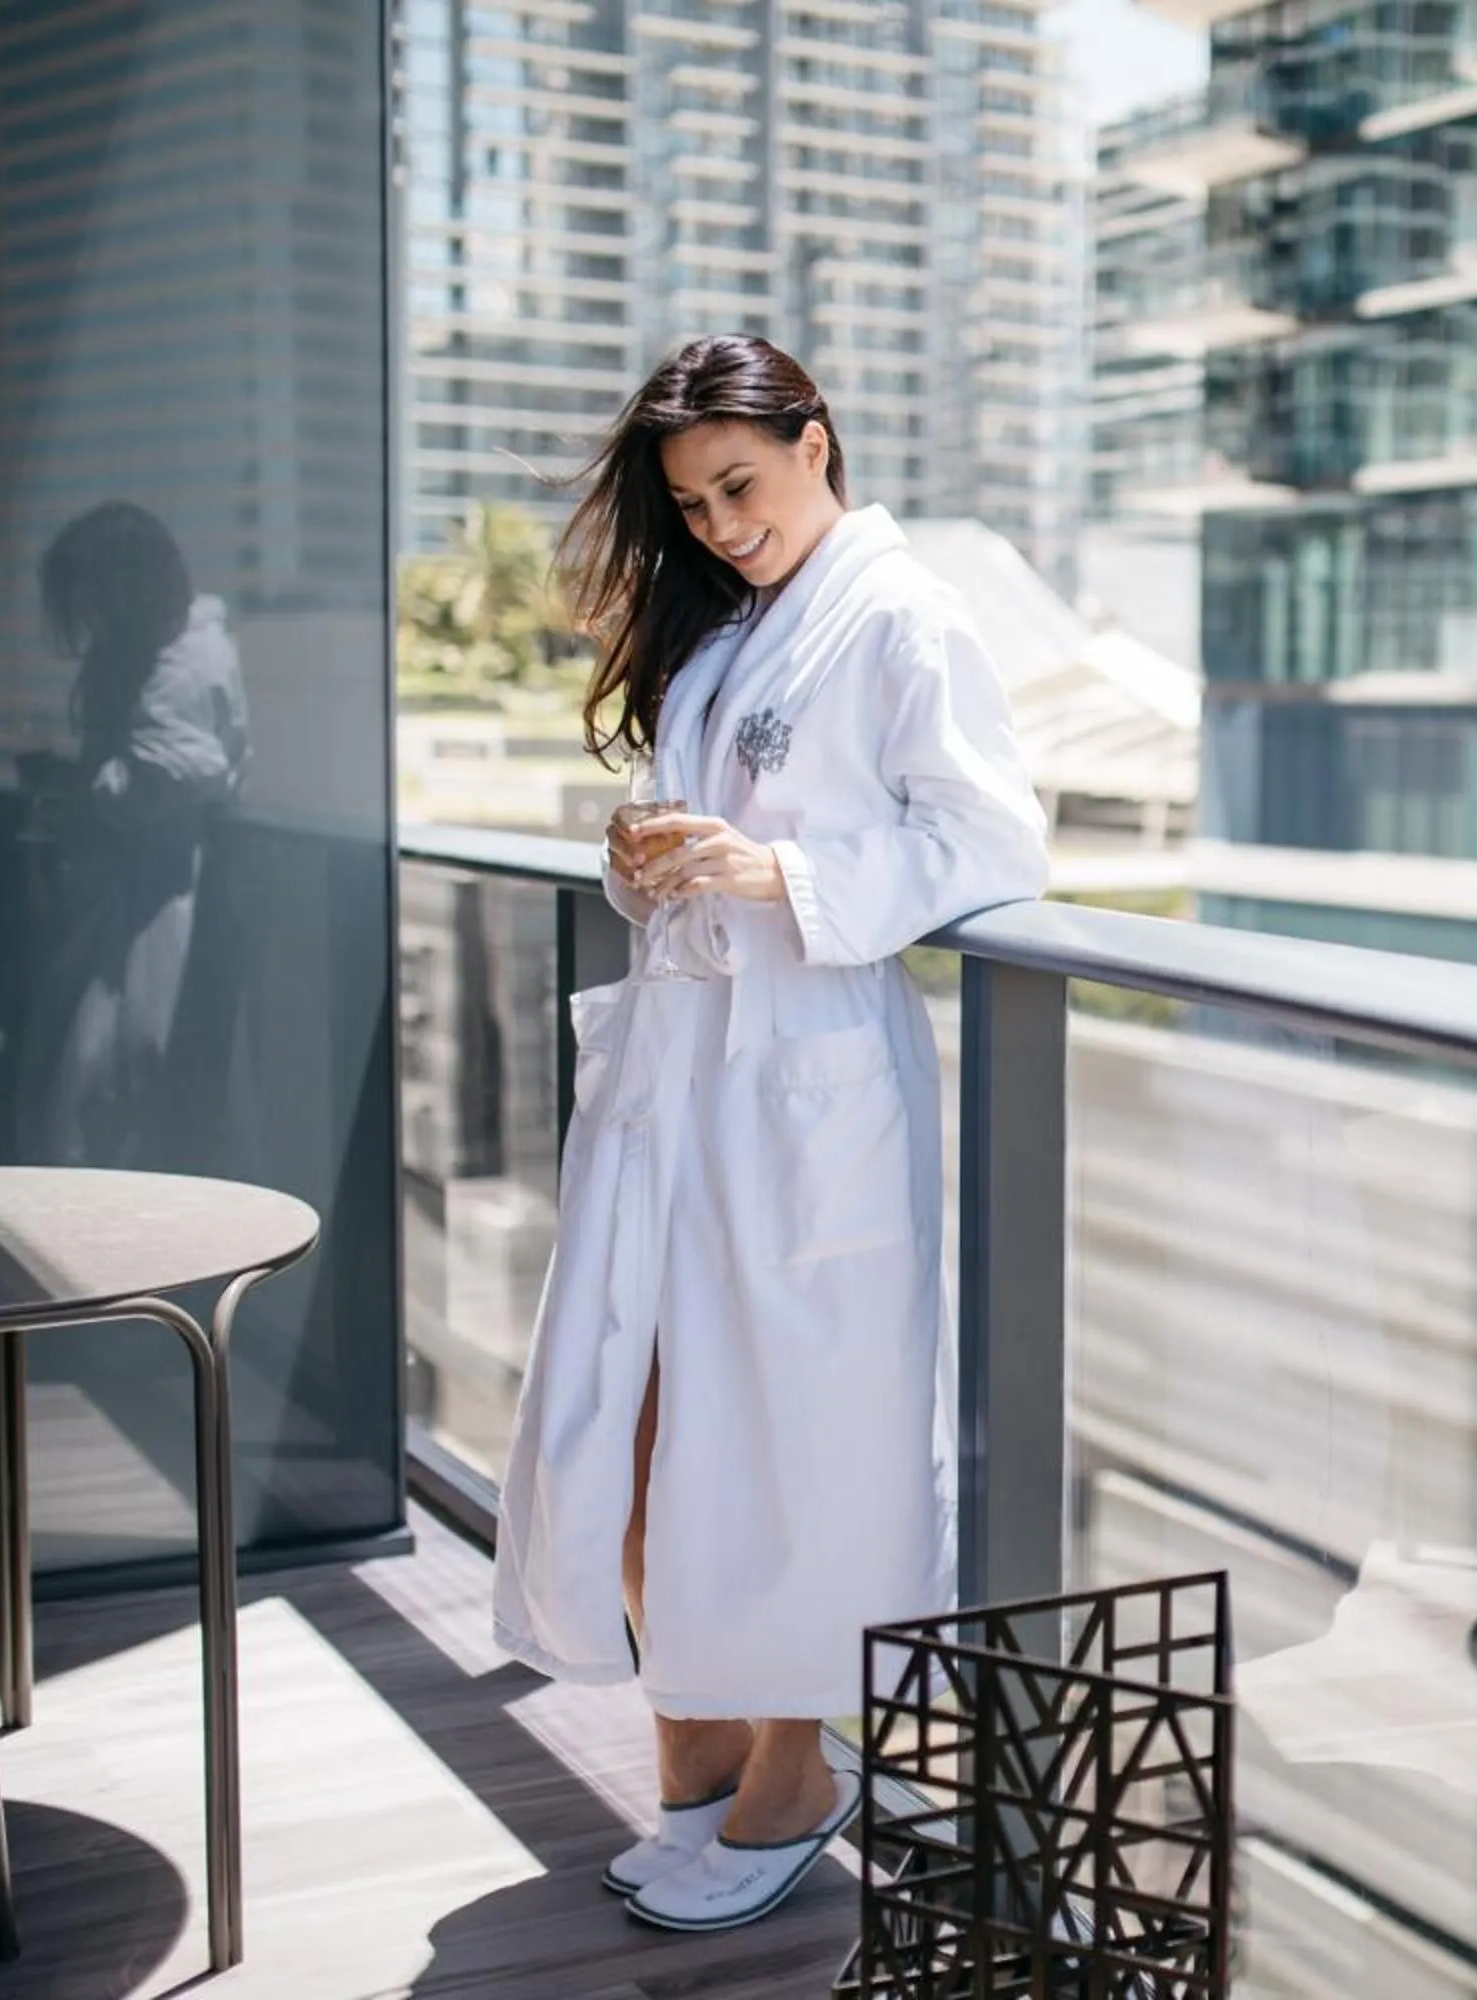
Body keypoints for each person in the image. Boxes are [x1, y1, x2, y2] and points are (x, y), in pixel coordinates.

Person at [490, 334, 1048, 1932]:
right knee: (649, 1422)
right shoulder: (737, 633)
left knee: (797, 1442)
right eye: (693, 505)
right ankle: (706, 1744)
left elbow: (992, 834)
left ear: (818, 441)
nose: (722, 525)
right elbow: (713, 840)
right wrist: (650, 852)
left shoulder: (905, 613)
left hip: (812, 1090)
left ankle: (794, 1768)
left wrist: (784, 878)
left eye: (740, 485)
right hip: (687, 1079)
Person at [14, 501, 249, 1170]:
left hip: (163, 903)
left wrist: (84, 785)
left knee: (122, 1092)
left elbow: (170, 780)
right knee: (122, 1092)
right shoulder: (190, 656)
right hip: (154, 898)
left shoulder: (179, 669)